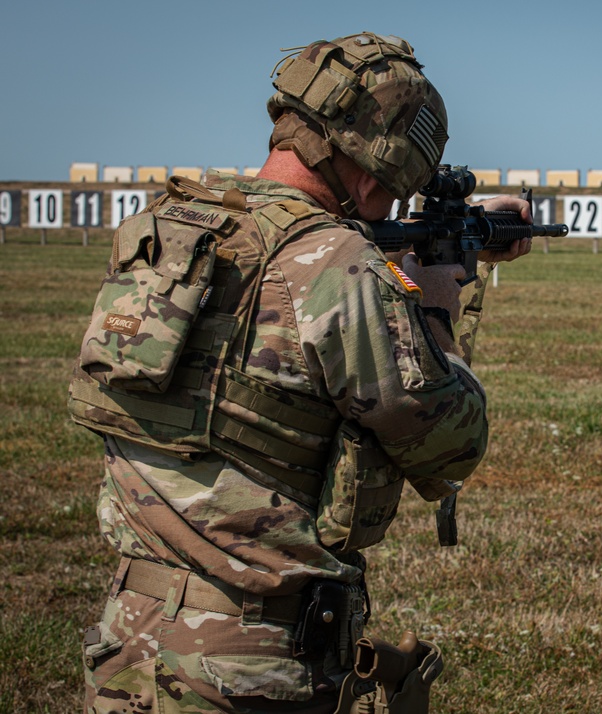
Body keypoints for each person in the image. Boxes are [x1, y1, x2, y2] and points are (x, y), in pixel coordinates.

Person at [70, 32, 530, 713]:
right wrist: (432, 306)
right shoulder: (337, 267)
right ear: (373, 172)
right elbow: (449, 445)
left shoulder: (167, 230)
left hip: (127, 648)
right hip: (255, 671)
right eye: (389, 194)